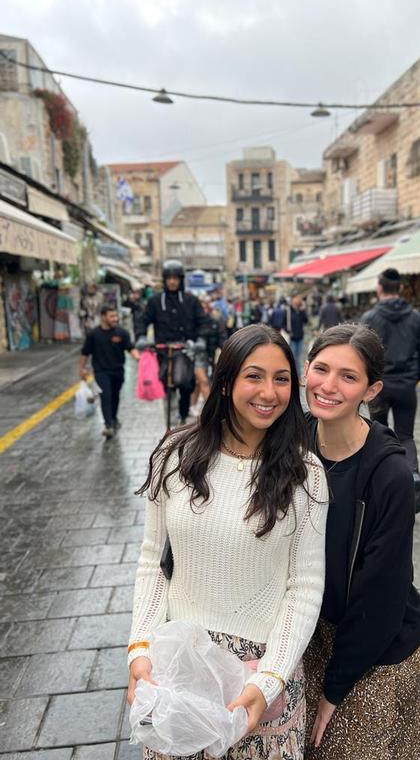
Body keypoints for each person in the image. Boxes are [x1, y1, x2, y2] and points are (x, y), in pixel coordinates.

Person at [128, 324, 329, 760]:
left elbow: (305, 586)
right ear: (225, 382)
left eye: (281, 379)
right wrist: (140, 647)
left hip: (260, 674)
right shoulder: (174, 455)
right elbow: (153, 562)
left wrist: (270, 677)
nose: (269, 392)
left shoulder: (306, 474)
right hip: (178, 667)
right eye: (254, 376)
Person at [303, 324, 420, 760]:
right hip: (314, 629)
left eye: (348, 377)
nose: (328, 386)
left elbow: (382, 595)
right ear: (305, 370)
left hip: (379, 643)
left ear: (371, 390)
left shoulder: (390, 475)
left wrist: (334, 689)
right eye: (321, 369)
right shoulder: (293, 441)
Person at [361, 268, 420, 513]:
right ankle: (413, 476)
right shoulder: (415, 317)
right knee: (405, 436)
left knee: (377, 433)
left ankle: (381, 483)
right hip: (405, 384)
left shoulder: (370, 317)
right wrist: (414, 376)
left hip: (378, 386)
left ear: (379, 287)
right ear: (400, 288)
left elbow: (361, 353)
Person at [136, 260, 209, 424]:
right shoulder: (155, 301)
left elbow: (203, 322)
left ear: (180, 280)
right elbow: (142, 320)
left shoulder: (191, 301)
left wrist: (200, 339)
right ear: (164, 280)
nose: (172, 282)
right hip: (163, 351)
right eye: (169, 278)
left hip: (185, 350)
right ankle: (171, 418)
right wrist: (141, 336)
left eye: (175, 278)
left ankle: (183, 414)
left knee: (186, 384)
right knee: (166, 383)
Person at [79, 303, 139, 438]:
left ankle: (113, 418)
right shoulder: (93, 334)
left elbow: (130, 348)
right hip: (101, 372)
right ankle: (108, 425)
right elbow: (85, 353)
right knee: (105, 395)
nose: (115, 319)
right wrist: (81, 369)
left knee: (115, 396)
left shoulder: (122, 333)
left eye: (116, 316)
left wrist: (138, 357)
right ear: (103, 317)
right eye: (111, 316)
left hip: (118, 371)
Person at [284, 294, 308, 377]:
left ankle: (298, 375)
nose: (298, 301)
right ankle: (293, 375)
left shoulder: (301, 312)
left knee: (299, 357)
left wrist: (303, 311)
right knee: (293, 358)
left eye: (299, 300)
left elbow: (305, 321)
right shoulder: (288, 311)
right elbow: (283, 323)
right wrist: (288, 331)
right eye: (296, 299)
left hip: (300, 337)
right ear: (292, 301)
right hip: (292, 338)